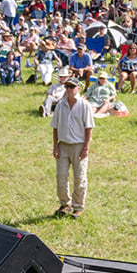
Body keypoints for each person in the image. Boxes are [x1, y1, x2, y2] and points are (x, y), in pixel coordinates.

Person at [51, 76, 94, 219]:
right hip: (63, 145)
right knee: (61, 176)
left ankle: (78, 206)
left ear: (78, 88)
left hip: (79, 145)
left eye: (72, 87)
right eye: (67, 87)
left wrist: (86, 147)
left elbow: (89, 128)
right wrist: (55, 146)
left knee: (79, 177)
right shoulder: (60, 105)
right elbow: (55, 127)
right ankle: (65, 203)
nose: (69, 90)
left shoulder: (84, 105)